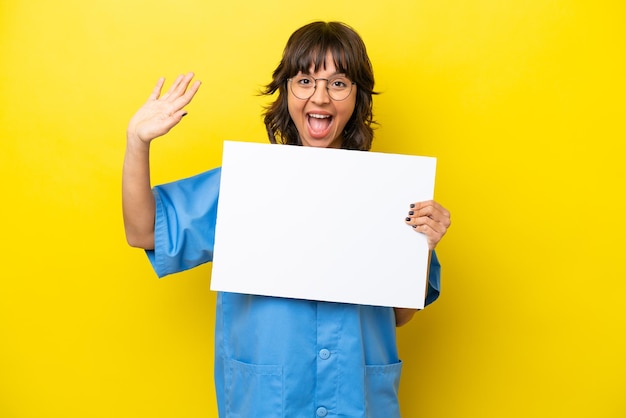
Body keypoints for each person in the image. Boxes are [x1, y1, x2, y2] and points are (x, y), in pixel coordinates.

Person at [123, 21, 451, 418]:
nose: (321, 97)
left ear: (357, 97)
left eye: (338, 83)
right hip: (270, 402)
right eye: (305, 81)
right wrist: (137, 142)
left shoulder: (390, 193)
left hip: (359, 399)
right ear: (287, 92)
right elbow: (143, 232)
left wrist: (420, 246)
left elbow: (398, 317)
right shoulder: (246, 181)